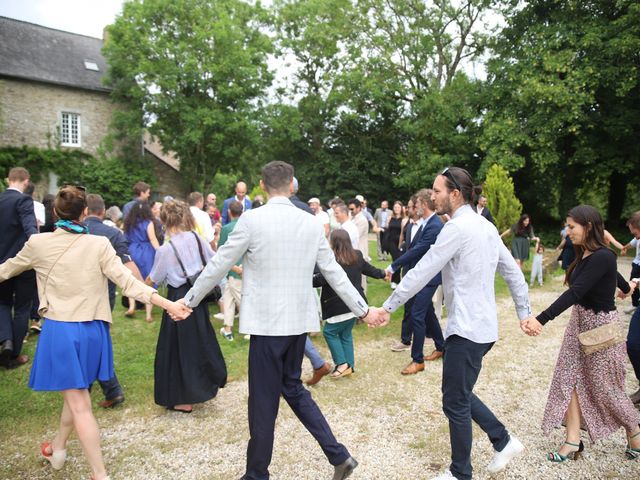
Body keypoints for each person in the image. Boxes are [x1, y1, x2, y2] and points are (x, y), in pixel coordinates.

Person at [181, 161, 384, 480]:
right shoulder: (309, 223)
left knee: (263, 399)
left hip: (267, 325)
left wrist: (188, 300)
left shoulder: (252, 220)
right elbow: (334, 273)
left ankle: (257, 474)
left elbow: (219, 265)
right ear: (291, 186)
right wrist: (363, 309)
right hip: (297, 324)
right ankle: (339, 456)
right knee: (292, 388)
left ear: (262, 185)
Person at [0, 186, 190, 480]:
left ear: (54, 212)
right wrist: (167, 304)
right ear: (85, 213)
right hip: (93, 333)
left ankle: (99, 475)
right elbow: (130, 284)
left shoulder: (38, 243)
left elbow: (5, 270)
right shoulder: (99, 244)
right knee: (75, 396)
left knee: (79, 402)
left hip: (61, 331)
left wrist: (168, 305)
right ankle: (58, 449)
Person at [372, 167, 531, 480]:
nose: (433, 196)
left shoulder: (457, 229)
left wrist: (389, 306)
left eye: (437, 191)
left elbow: (422, 270)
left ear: (455, 193)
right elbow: (513, 272)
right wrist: (523, 311)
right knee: (459, 393)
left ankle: (461, 472)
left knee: (455, 400)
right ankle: (503, 440)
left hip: (467, 329)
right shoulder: (485, 226)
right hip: (483, 330)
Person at [520, 205, 640, 463]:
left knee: (607, 389)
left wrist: (541, 319)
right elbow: (617, 281)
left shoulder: (603, 257)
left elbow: (576, 293)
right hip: (579, 326)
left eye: (572, 227)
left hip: (602, 331)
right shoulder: (586, 255)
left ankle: (635, 431)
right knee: (569, 380)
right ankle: (572, 440)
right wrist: (624, 288)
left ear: (588, 226)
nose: (568, 231)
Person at [148, 200, 227, 413]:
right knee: (199, 342)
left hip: (177, 299)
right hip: (198, 295)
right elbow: (214, 262)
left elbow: (155, 277)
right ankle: (202, 385)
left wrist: (138, 287)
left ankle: (184, 399)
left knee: (177, 350)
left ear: (164, 220)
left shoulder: (166, 250)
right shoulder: (197, 238)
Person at [84, 194, 145, 409]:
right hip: (103, 297)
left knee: (92, 343)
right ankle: (109, 388)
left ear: (85, 211)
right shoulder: (111, 233)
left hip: (76, 296)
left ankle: (99, 387)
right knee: (98, 340)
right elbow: (128, 265)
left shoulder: (72, 233)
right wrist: (144, 292)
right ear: (103, 212)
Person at [385, 189, 445, 374]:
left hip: (430, 277)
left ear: (424, 206)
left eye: (417, 204)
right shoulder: (428, 223)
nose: (414, 207)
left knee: (417, 315)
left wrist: (393, 266)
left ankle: (417, 360)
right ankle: (442, 347)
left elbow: (418, 250)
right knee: (427, 313)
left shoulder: (434, 225)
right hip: (422, 276)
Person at [313, 229, 385, 379]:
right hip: (356, 305)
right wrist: (383, 274)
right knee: (345, 334)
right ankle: (349, 365)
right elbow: (370, 270)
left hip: (337, 306)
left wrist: (304, 278)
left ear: (333, 242)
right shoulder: (356, 255)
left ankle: (341, 364)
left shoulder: (332, 261)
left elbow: (319, 280)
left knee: (330, 332)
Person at [0, 167, 37, 369]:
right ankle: (13, 354)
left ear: (8, 180)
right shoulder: (23, 200)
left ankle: (6, 339)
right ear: (25, 181)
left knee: (3, 303)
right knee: (22, 308)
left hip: (1, 264)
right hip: (23, 263)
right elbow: (30, 229)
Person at [123, 201, 160, 322]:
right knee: (148, 281)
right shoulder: (148, 223)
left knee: (131, 279)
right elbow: (153, 239)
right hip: (146, 252)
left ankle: (132, 307)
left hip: (132, 250)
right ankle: (148, 314)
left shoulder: (128, 224)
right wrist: (160, 252)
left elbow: (125, 238)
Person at [219, 201, 244, 341]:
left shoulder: (227, 228)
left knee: (243, 302)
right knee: (228, 299)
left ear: (229, 212)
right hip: (241, 268)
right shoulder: (248, 227)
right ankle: (227, 329)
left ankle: (253, 331)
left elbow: (221, 251)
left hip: (234, 269)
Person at [621, 212, 640, 315]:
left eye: (635, 233)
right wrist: (625, 248)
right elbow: (632, 242)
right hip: (637, 264)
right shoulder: (638, 238)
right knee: (634, 282)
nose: (635, 237)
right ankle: (635, 303)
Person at [385, 201, 404, 288]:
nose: (396, 209)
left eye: (398, 207)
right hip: (391, 242)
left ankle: (397, 280)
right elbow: (387, 230)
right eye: (395, 207)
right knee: (396, 261)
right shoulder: (390, 218)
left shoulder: (404, 219)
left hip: (400, 242)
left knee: (399, 261)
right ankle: (394, 281)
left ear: (401, 209)